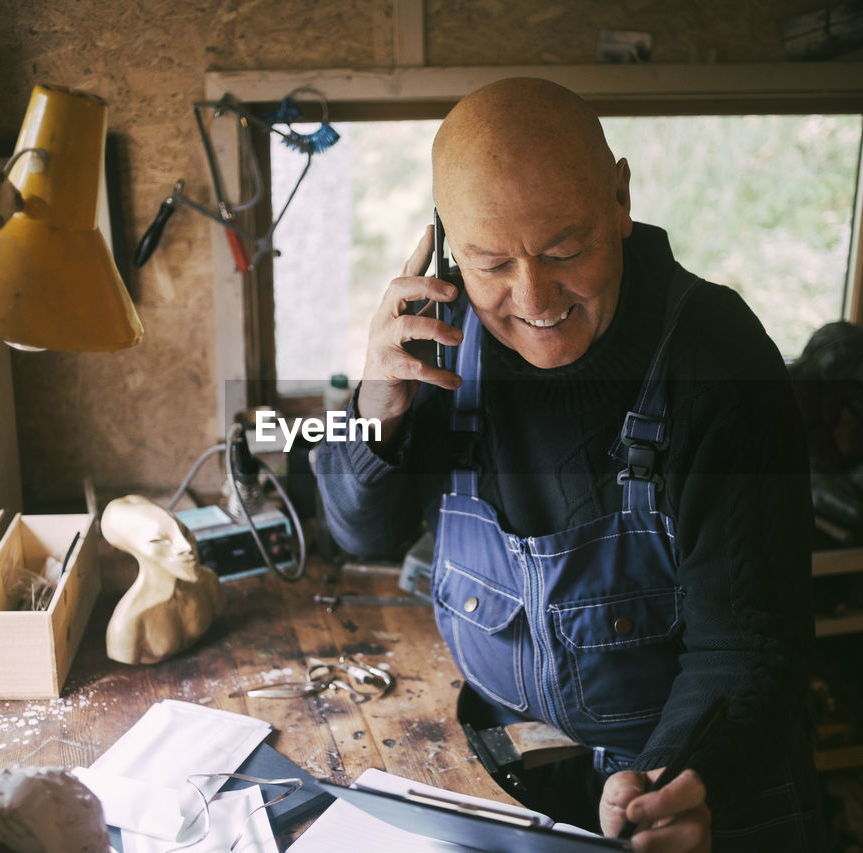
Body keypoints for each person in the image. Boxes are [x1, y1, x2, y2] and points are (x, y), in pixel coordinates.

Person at [315, 77, 821, 851]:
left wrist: (668, 783)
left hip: (690, 786)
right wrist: (379, 406)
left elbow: (745, 644)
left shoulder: (718, 359)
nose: (535, 297)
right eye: (490, 263)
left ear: (619, 198)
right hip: (512, 772)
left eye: (565, 250)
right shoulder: (437, 331)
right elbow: (359, 534)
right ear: (447, 242)